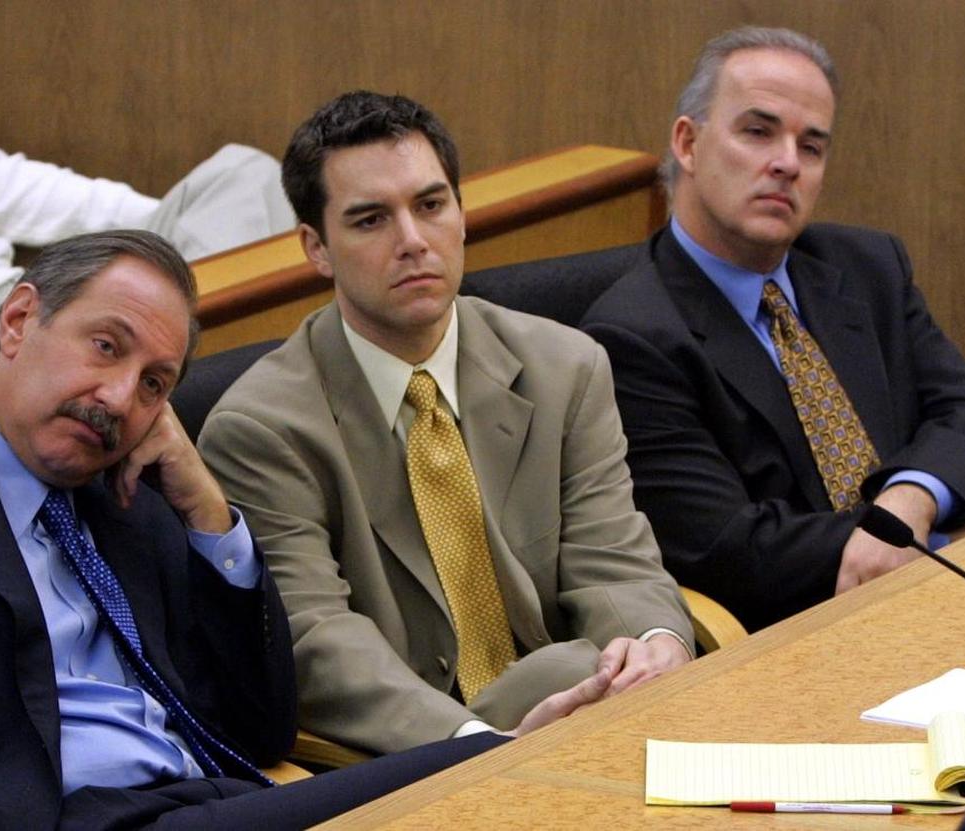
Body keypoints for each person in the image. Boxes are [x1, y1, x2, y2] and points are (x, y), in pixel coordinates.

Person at [0, 229, 610, 831]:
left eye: (156, 383)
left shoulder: (129, 503)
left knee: (527, 782)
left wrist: (208, 516)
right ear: (21, 319)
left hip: (212, 800)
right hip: (64, 817)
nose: (121, 398)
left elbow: (259, 727)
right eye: (106, 346)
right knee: (495, 777)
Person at [200, 91, 694, 756]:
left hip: (592, 711)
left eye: (430, 205)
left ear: (461, 214)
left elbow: (615, 563)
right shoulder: (262, 429)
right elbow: (318, 643)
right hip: (419, 752)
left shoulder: (565, 366)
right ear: (317, 248)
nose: (412, 241)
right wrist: (477, 743)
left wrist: (652, 652)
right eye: (371, 220)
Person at [580, 26, 965, 632]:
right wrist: (944, 537)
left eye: (811, 147)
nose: (786, 163)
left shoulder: (868, 267)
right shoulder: (632, 336)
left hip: (930, 600)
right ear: (688, 142)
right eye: (758, 132)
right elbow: (730, 549)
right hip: (799, 632)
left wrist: (911, 501)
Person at [0, 33, 295, 347]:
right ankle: (185, 366)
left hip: (20, 290)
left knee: (244, 175)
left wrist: (157, 233)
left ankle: (182, 357)